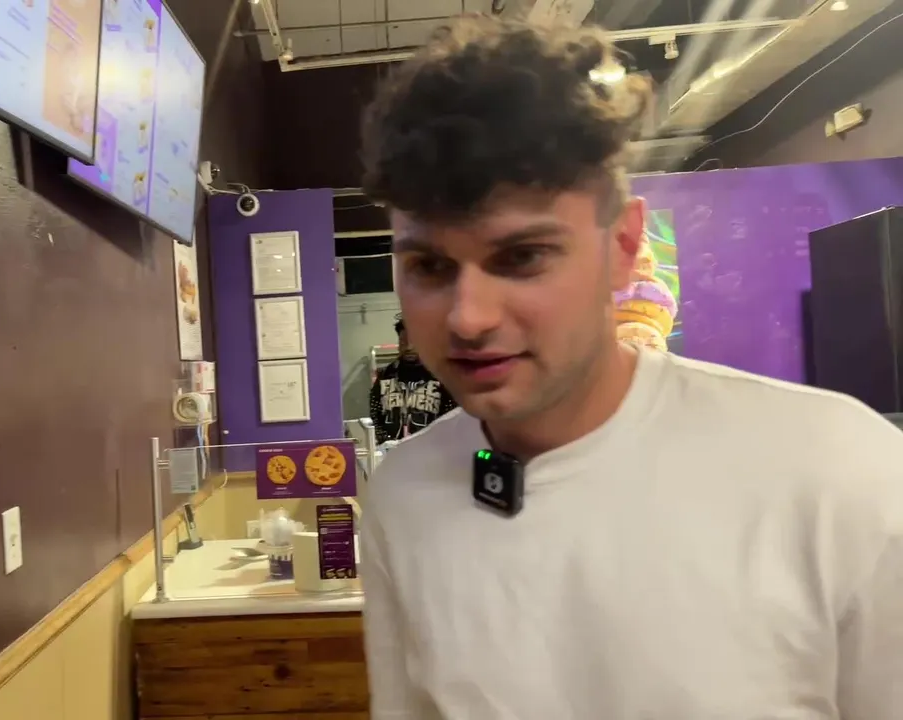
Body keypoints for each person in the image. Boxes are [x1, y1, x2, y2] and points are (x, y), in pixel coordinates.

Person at [357, 14, 902, 720]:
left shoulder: (839, 472)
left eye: (521, 257)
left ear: (623, 247)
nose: (468, 317)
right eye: (430, 266)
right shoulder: (404, 497)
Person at [369, 315, 458, 444]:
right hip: (391, 449)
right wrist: (385, 441)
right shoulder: (384, 376)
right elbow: (375, 416)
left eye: (414, 342)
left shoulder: (442, 377)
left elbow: (453, 417)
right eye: (403, 342)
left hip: (433, 449)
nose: (409, 347)